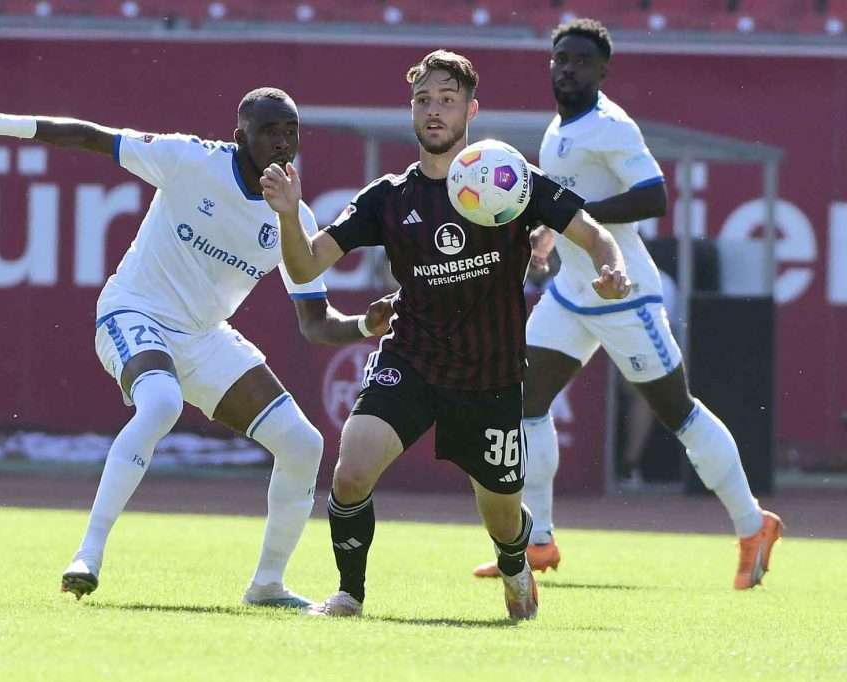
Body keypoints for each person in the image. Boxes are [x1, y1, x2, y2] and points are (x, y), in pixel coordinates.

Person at [0, 89, 394, 607]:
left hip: (203, 335)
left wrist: (362, 327)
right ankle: (89, 553)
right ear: (241, 138)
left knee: (304, 445)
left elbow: (314, 323)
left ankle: (267, 586)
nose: (283, 143)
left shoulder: (296, 218)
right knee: (162, 402)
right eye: (269, 132)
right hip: (134, 311)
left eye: (291, 131)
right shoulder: (190, 160)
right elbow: (87, 135)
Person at [259, 50, 632, 620]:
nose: (434, 111)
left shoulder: (509, 180)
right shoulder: (388, 197)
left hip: (491, 374)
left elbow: (590, 232)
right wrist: (288, 215)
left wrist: (612, 267)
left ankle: (514, 559)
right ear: (411, 111)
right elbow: (307, 266)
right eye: (423, 100)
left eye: (447, 101)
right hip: (413, 357)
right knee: (352, 470)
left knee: (502, 520)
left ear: (471, 111)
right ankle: (349, 594)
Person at [471, 19, 782, 589]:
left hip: (625, 293)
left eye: (581, 61)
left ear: (602, 70)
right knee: (525, 401)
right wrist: (550, 231)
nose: (568, 68)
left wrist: (574, 217)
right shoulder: (558, 128)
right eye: (560, 58)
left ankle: (751, 522)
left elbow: (655, 196)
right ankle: (535, 541)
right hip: (571, 293)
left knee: (678, 412)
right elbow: (564, 203)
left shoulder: (611, 126)